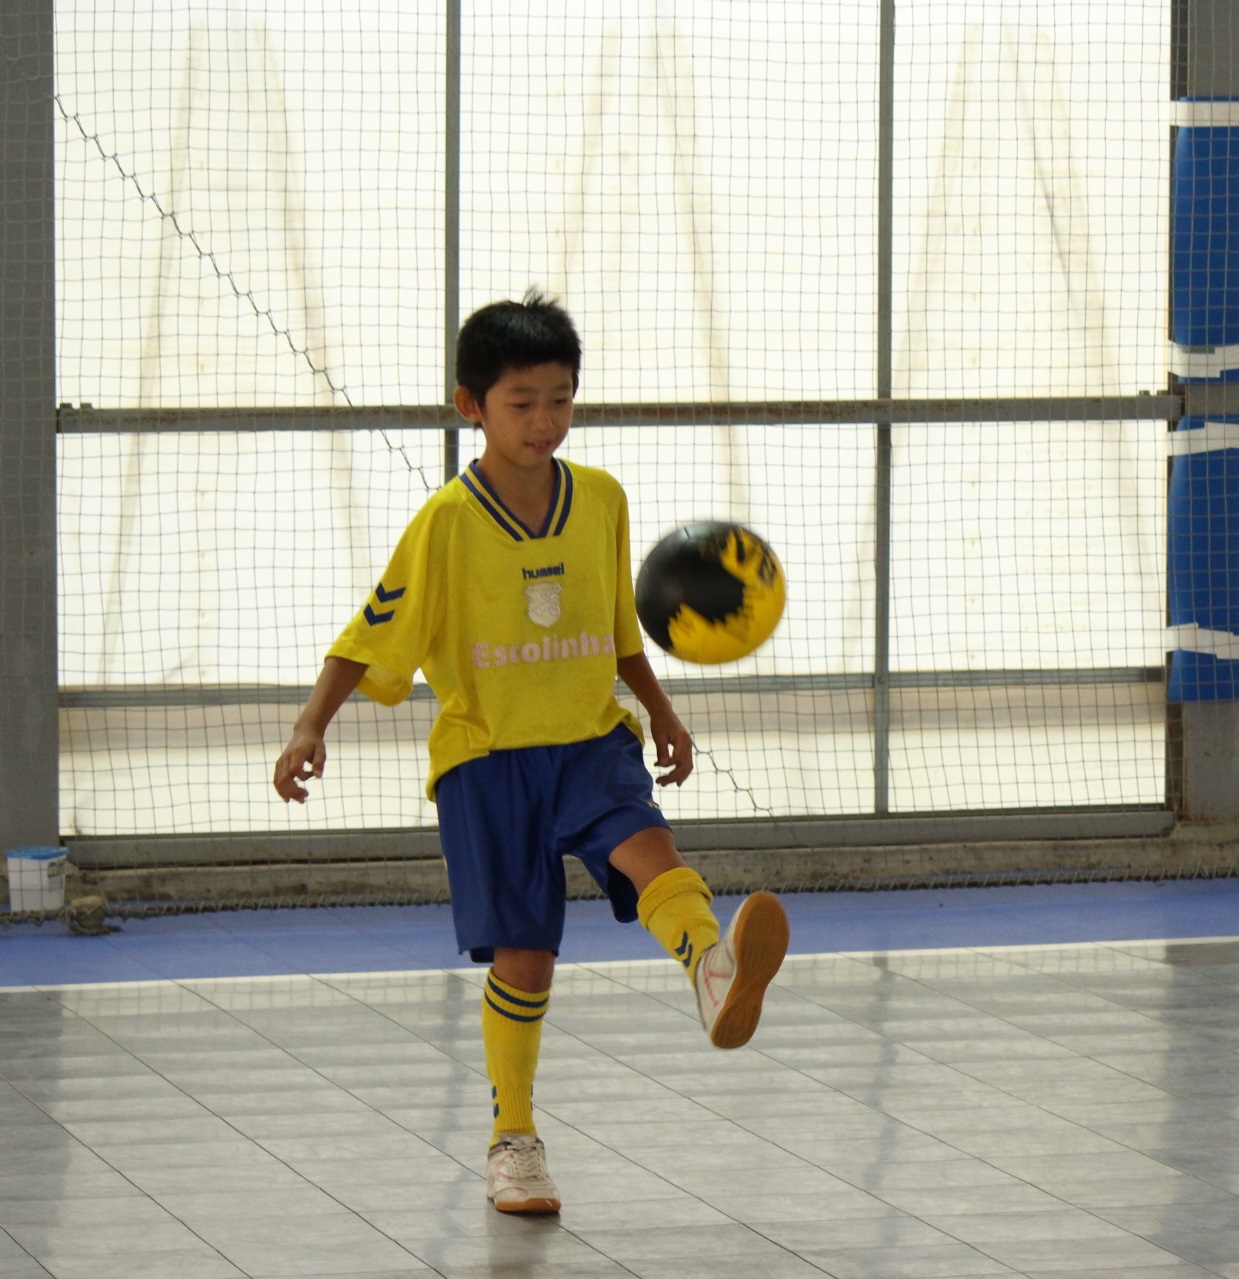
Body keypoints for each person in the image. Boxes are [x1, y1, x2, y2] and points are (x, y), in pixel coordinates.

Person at [273, 291, 789, 1215]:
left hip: (591, 737)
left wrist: (661, 712)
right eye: (522, 403)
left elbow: (619, 627)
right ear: (471, 405)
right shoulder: (445, 521)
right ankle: (513, 1140)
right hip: (488, 760)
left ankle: (711, 969)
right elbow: (369, 632)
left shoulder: (602, 499)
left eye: (560, 398)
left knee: (650, 848)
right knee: (525, 958)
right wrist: (311, 724)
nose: (544, 420)